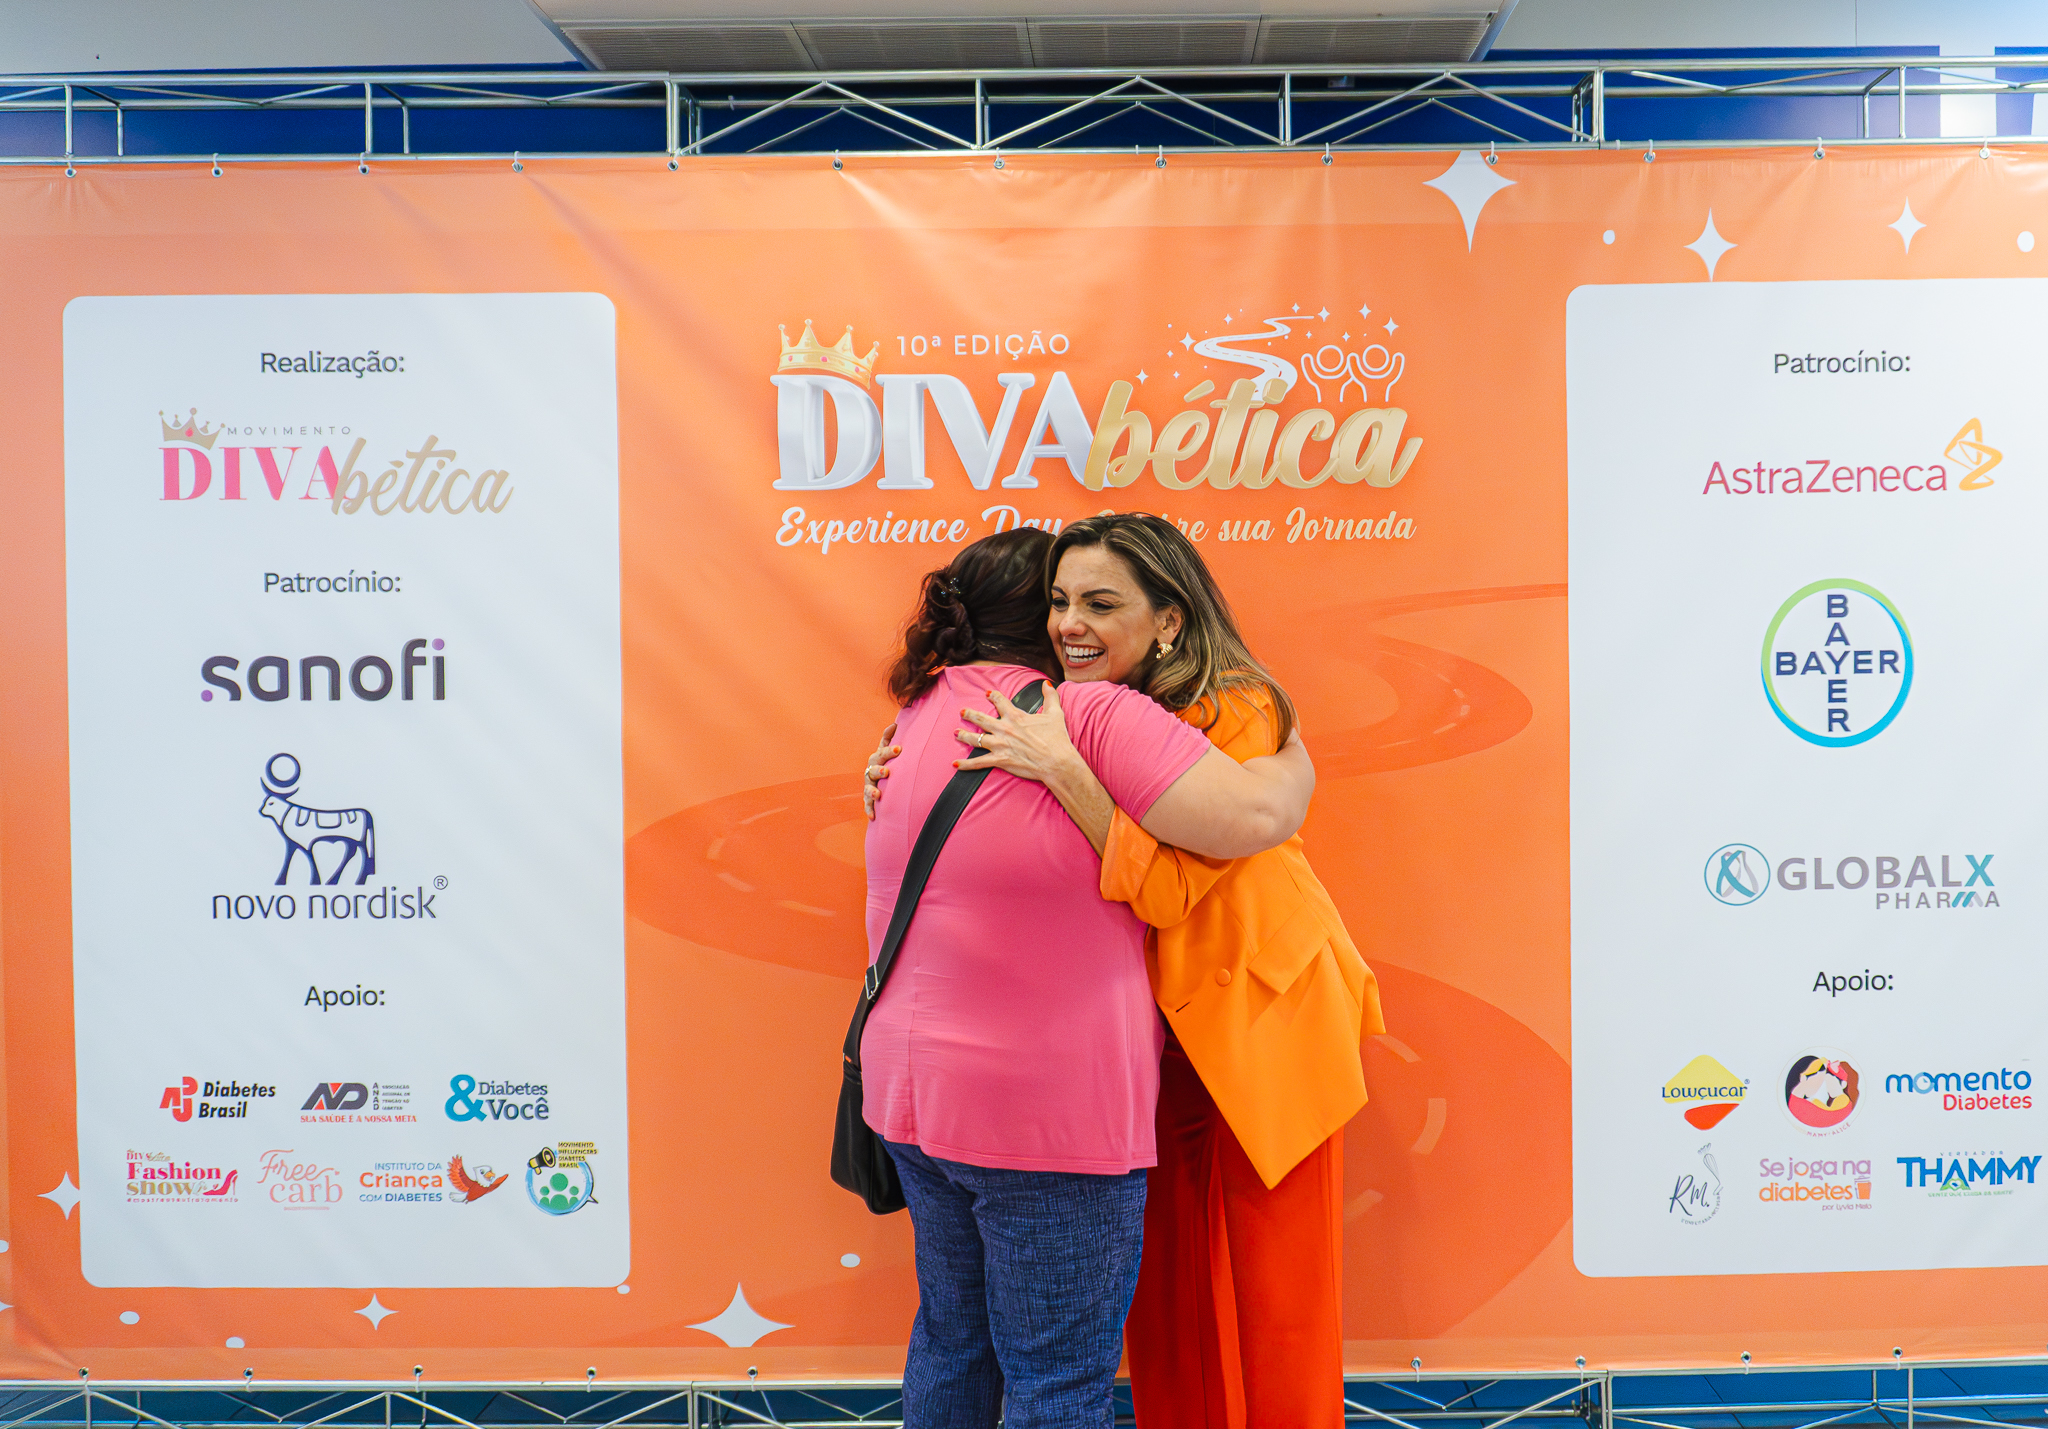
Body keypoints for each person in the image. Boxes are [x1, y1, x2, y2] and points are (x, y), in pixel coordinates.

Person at [867, 513, 1382, 1429]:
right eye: (1059, 600)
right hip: (1149, 1046)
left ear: (1169, 619)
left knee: (1281, 1306)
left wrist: (1072, 772)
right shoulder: (1084, 708)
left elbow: (1183, 880)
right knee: (1168, 1312)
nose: (1071, 623)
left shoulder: (1218, 705)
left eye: (1101, 603)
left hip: (1262, 1019)